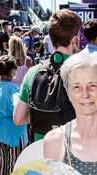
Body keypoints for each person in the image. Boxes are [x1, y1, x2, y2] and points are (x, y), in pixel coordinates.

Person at [13, 8, 81, 151]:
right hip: (73, 152)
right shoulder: (83, 72)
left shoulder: (33, 72)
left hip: (41, 153)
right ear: (74, 40)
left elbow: (18, 119)